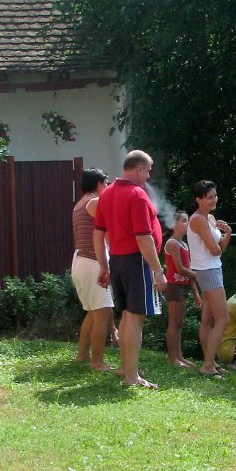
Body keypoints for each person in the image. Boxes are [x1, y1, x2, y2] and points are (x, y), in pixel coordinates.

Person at [93, 150, 166, 389]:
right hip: (137, 261)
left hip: (117, 260)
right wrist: (158, 270)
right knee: (136, 318)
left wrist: (104, 266)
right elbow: (144, 237)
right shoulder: (137, 195)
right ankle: (131, 376)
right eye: (147, 171)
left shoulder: (107, 193)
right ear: (139, 169)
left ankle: (125, 367)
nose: (148, 177)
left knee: (126, 315)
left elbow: (98, 233)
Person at [187, 180, 233, 378]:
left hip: (212, 268)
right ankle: (207, 365)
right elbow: (216, 250)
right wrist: (222, 242)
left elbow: (221, 247)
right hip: (208, 270)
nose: (214, 200)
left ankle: (211, 361)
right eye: (209, 197)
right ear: (198, 200)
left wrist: (228, 233)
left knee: (208, 319)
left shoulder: (210, 218)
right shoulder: (198, 220)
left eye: (215, 196)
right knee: (223, 319)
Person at [71, 168, 115, 371]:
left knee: (91, 312)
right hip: (93, 262)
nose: (106, 187)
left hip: (80, 261)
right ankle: (97, 362)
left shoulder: (79, 204)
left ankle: (82, 355)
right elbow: (108, 232)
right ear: (98, 184)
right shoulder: (95, 202)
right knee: (103, 312)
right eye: (105, 183)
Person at [163, 210, 201, 368]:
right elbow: (180, 269)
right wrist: (199, 274)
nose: (187, 224)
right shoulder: (172, 243)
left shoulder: (184, 244)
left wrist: (197, 294)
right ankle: (173, 357)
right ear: (174, 224)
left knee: (179, 324)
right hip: (174, 286)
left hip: (183, 287)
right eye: (184, 221)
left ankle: (180, 356)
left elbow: (189, 270)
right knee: (174, 323)